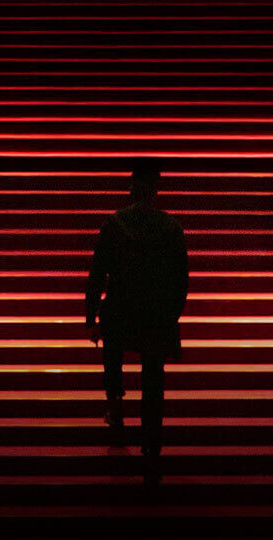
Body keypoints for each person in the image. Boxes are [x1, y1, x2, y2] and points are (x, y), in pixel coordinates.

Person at [85, 158, 188, 486]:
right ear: (155, 190)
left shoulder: (114, 224)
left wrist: (90, 316)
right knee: (153, 377)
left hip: (119, 308)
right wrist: (172, 313)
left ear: (131, 189)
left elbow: (98, 272)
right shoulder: (171, 227)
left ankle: (116, 413)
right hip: (155, 313)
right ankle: (151, 442)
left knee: (113, 360)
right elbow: (181, 278)